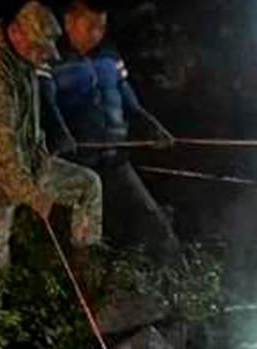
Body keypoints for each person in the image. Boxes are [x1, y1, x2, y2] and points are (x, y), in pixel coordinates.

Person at [0, 1, 104, 268]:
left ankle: (84, 268)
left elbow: (28, 122)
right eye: (39, 48)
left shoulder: (21, 57)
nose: (43, 56)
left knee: (88, 185)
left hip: (25, 167)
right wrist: (32, 195)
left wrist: (42, 151)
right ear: (16, 32)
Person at [39, 0, 181, 261]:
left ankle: (178, 291)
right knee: (85, 245)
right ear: (69, 22)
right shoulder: (49, 56)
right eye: (90, 26)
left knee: (155, 228)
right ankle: (88, 295)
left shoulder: (109, 53)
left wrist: (150, 125)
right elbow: (44, 105)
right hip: (78, 167)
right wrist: (58, 134)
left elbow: (127, 97)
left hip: (116, 161)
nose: (96, 33)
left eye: (101, 27)